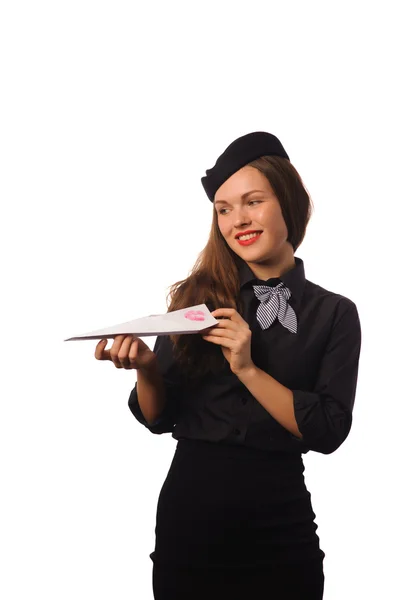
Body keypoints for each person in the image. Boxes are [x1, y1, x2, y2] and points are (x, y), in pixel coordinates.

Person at [95, 132, 362, 599]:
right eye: (223, 209)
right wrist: (146, 369)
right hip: (189, 521)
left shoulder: (335, 313)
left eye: (252, 202)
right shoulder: (195, 299)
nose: (238, 220)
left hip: (281, 527)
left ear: (290, 204)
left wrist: (248, 368)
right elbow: (160, 418)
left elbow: (328, 431)